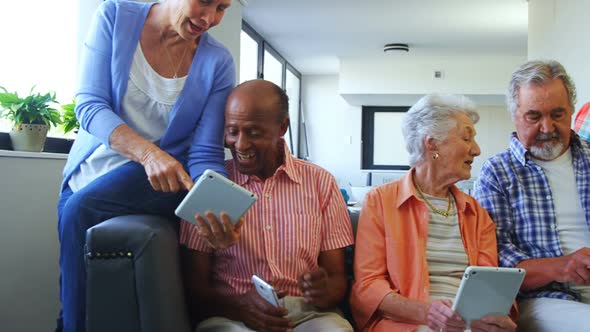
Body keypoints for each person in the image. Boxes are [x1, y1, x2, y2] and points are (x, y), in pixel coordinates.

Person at [56, 0, 235, 331]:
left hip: (155, 182)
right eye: (205, 1)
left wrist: (218, 212)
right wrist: (148, 154)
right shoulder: (114, 15)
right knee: (72, 292)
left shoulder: (218, 61)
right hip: (89, 173)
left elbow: (205, 152)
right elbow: (90, 104)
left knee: (82, 209)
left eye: (222, 7)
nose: (210, 18)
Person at [180, 79, 355, 332]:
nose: (240, 144)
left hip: (307, 313)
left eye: (253, 132)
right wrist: (239, 307)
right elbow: (195, 292)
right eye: (232, 131)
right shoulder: (210, 186)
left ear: (282, 127)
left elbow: (337, 278)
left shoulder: (320, 183)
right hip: (231, 313)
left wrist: (324, 290)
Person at [351, 94, 517, 332]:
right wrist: (428, 314)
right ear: (432, 144)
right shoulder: (380, 202)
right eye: (466, 138)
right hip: (406, 324)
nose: (477, 150)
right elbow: (368, 286)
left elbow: (489, 284)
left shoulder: (477, 214)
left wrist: (493, 317)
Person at [474, 60, 590, 331]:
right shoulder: (497, 173)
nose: (547, 127)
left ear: (572, 110)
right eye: (534, 117)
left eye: (558, 115)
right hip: (544, 299)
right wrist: (561, 267)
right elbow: (495, 261)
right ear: (514, 115)